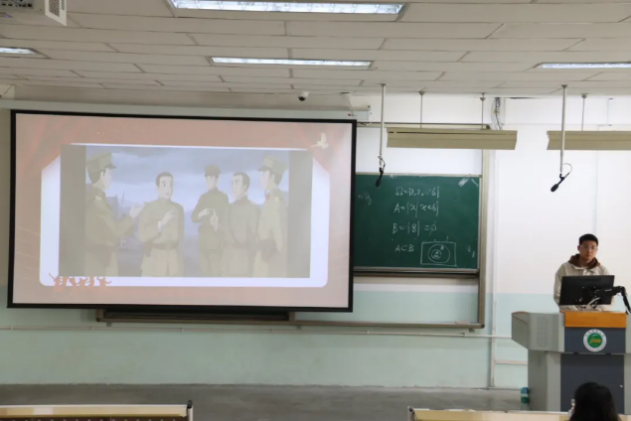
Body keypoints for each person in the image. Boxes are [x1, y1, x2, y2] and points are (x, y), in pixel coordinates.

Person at [84, 152, 143, 276]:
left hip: (98, 261)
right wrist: (131, 217)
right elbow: (114, 233)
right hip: (100, 264)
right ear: (102, 174)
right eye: (109, 173)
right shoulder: (97, 203)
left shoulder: (94, 198)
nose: (111, 177)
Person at [137, 172, 185, 277]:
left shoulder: (179, 209)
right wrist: (160, 224)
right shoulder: (149, 208)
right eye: (164, 184)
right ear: (157, 188)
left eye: (171, 184)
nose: (168, 188)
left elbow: (180, 236)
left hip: (174, 264)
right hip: (154, 263)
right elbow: (142, 235)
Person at [554, 233, 612, 311]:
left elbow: (609, 297)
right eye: (585, 246)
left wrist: (596, 311)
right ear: (578, 248)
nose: (589, 251)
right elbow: (558, 294)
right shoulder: (565, 268)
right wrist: (574, 312)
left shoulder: (602, 271)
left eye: (592, 247)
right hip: (570, 314)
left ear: (596, 250)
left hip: (595, 316)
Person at [253, 156, 288, 278]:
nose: (261, 178)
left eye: (264, 174)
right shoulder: (270, 200)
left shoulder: (276, 203)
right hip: (265, 260)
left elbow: (281, 243)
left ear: (273, 177)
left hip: (270, 266)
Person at [191, 165, 229, 277]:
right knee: (204, 274)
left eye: (212, 178)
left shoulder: (223, 197)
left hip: (216, 244)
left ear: (217, 180)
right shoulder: (203, 197)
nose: (210, 181)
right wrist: (201, 214)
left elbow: (227, 220)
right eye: (208, 178)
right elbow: (193, 217)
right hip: (203, 244)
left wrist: (217, 224)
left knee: (216, 275)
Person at [223, 172, 260, 277]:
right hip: (227, 264)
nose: (233, 187)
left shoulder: (253, 209)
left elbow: (254, 237)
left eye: (236, 183)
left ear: (245, 186)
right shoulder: (228, 208)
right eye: (232, 183)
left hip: (245, 264)